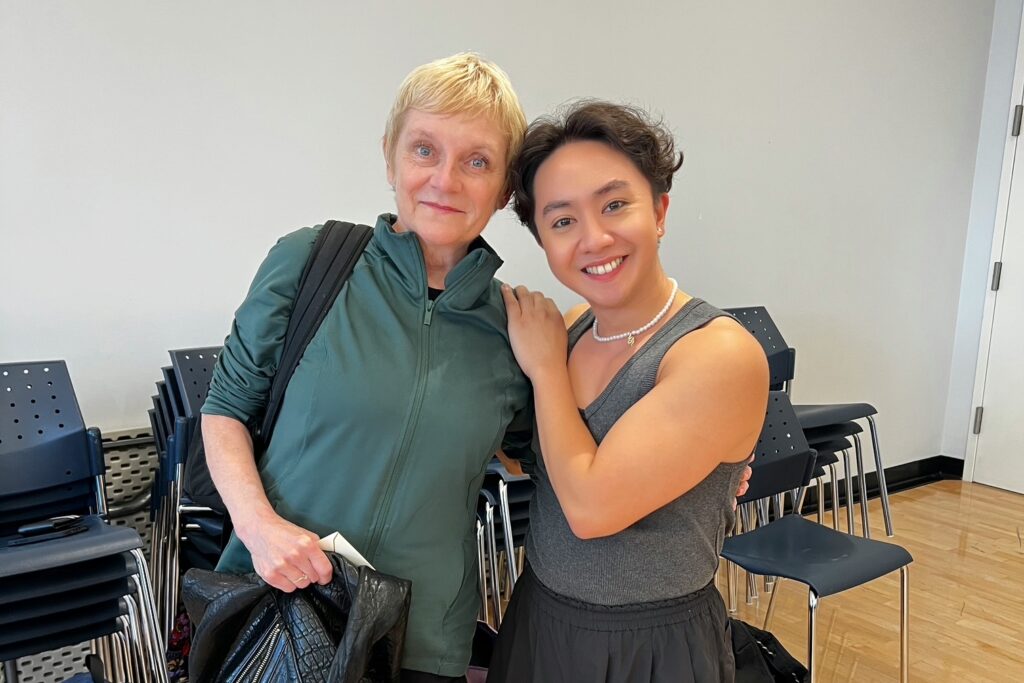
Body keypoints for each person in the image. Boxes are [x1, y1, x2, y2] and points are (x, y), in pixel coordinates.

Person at [200, 53, 535, 682]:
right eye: (424, 150)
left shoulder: (512, 330)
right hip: (282, 608)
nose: (446, 179)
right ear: (390, 156)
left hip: (424, 636)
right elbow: (225, 410)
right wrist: (258, 525)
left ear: (506, 186)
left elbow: (554, 455)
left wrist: (705, 466)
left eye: (477, 161)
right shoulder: (310, 262)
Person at [489, 101, 769, 682]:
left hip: (650, 644)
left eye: (615, 205)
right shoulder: (569, 330)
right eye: (562, 220)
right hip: (540, 616)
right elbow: (528, 456)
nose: (593, 238)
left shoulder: (717, 352)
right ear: (542, 238)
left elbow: (592, 509)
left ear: (660, 210)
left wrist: (544, 372)